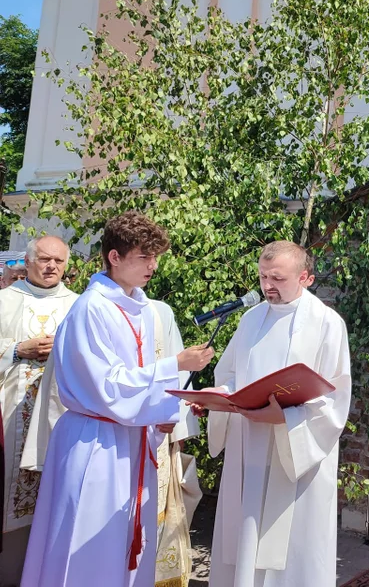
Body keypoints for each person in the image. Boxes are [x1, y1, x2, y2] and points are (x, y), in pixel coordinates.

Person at [20, 212, 214, 587]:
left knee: (124, 544)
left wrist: (170, 405)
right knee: (87, 546)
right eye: (144, 257)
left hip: (130, 438)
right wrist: (174, 364)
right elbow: (107, 385)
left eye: (155, 257)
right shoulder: (91, 308)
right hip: (95, 443)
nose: (153, 266)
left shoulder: (137, 306)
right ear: (114, 257)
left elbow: (135, 379)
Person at [198, 240, 351, 587]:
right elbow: (231, 377)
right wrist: (218, 396)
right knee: (246, 539)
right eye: (263, 276)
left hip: (295, 454)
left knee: (294, 549)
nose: (268, 286)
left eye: (278, 278)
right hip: (249, 445)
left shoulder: (327, 324)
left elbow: (335, 398)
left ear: (305, 278)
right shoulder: (251, 319)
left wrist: (286, 418)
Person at [0, 236, 78, 586]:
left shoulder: (80, 306)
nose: (51, 267)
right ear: (27, 262)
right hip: (10, 415)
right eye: (44, 259)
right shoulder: (4, 301)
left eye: (58, 261)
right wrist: (18, 349)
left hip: (60, 422)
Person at [150, 298, 202, 587]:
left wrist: (179, 432)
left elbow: (179, 376)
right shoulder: (92, 307)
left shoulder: (160, 311)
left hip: (158, 435)